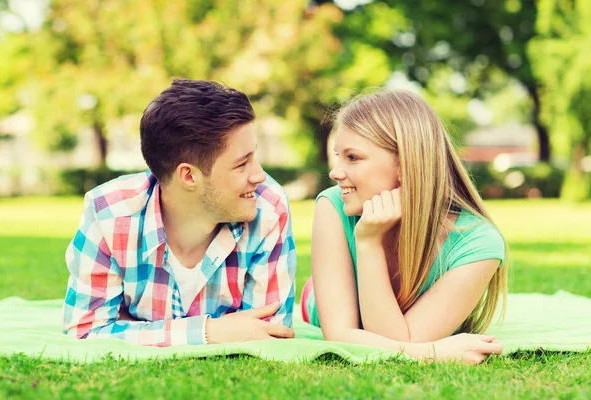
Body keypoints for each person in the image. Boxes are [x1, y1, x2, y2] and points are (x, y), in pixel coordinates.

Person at [63, 79, 296, 347]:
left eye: (254, 157)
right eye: (242, 164)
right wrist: (210, 332)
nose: (260, 175)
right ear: (188, 176)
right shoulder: (109, 215)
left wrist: (133, 329)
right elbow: (85, 332)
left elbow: (269, 331)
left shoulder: (267, 207)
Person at [301, 89, 508, 364]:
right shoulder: (332, 206)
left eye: (353, 157)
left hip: (387, 320)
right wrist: (433, 353)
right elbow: (340, 333)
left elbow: (397, 340)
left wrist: (369, 242)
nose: (335, 172)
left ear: (403, 164)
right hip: (318, 301)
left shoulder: (478, 243)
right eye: (338, 155)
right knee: (319, 294)